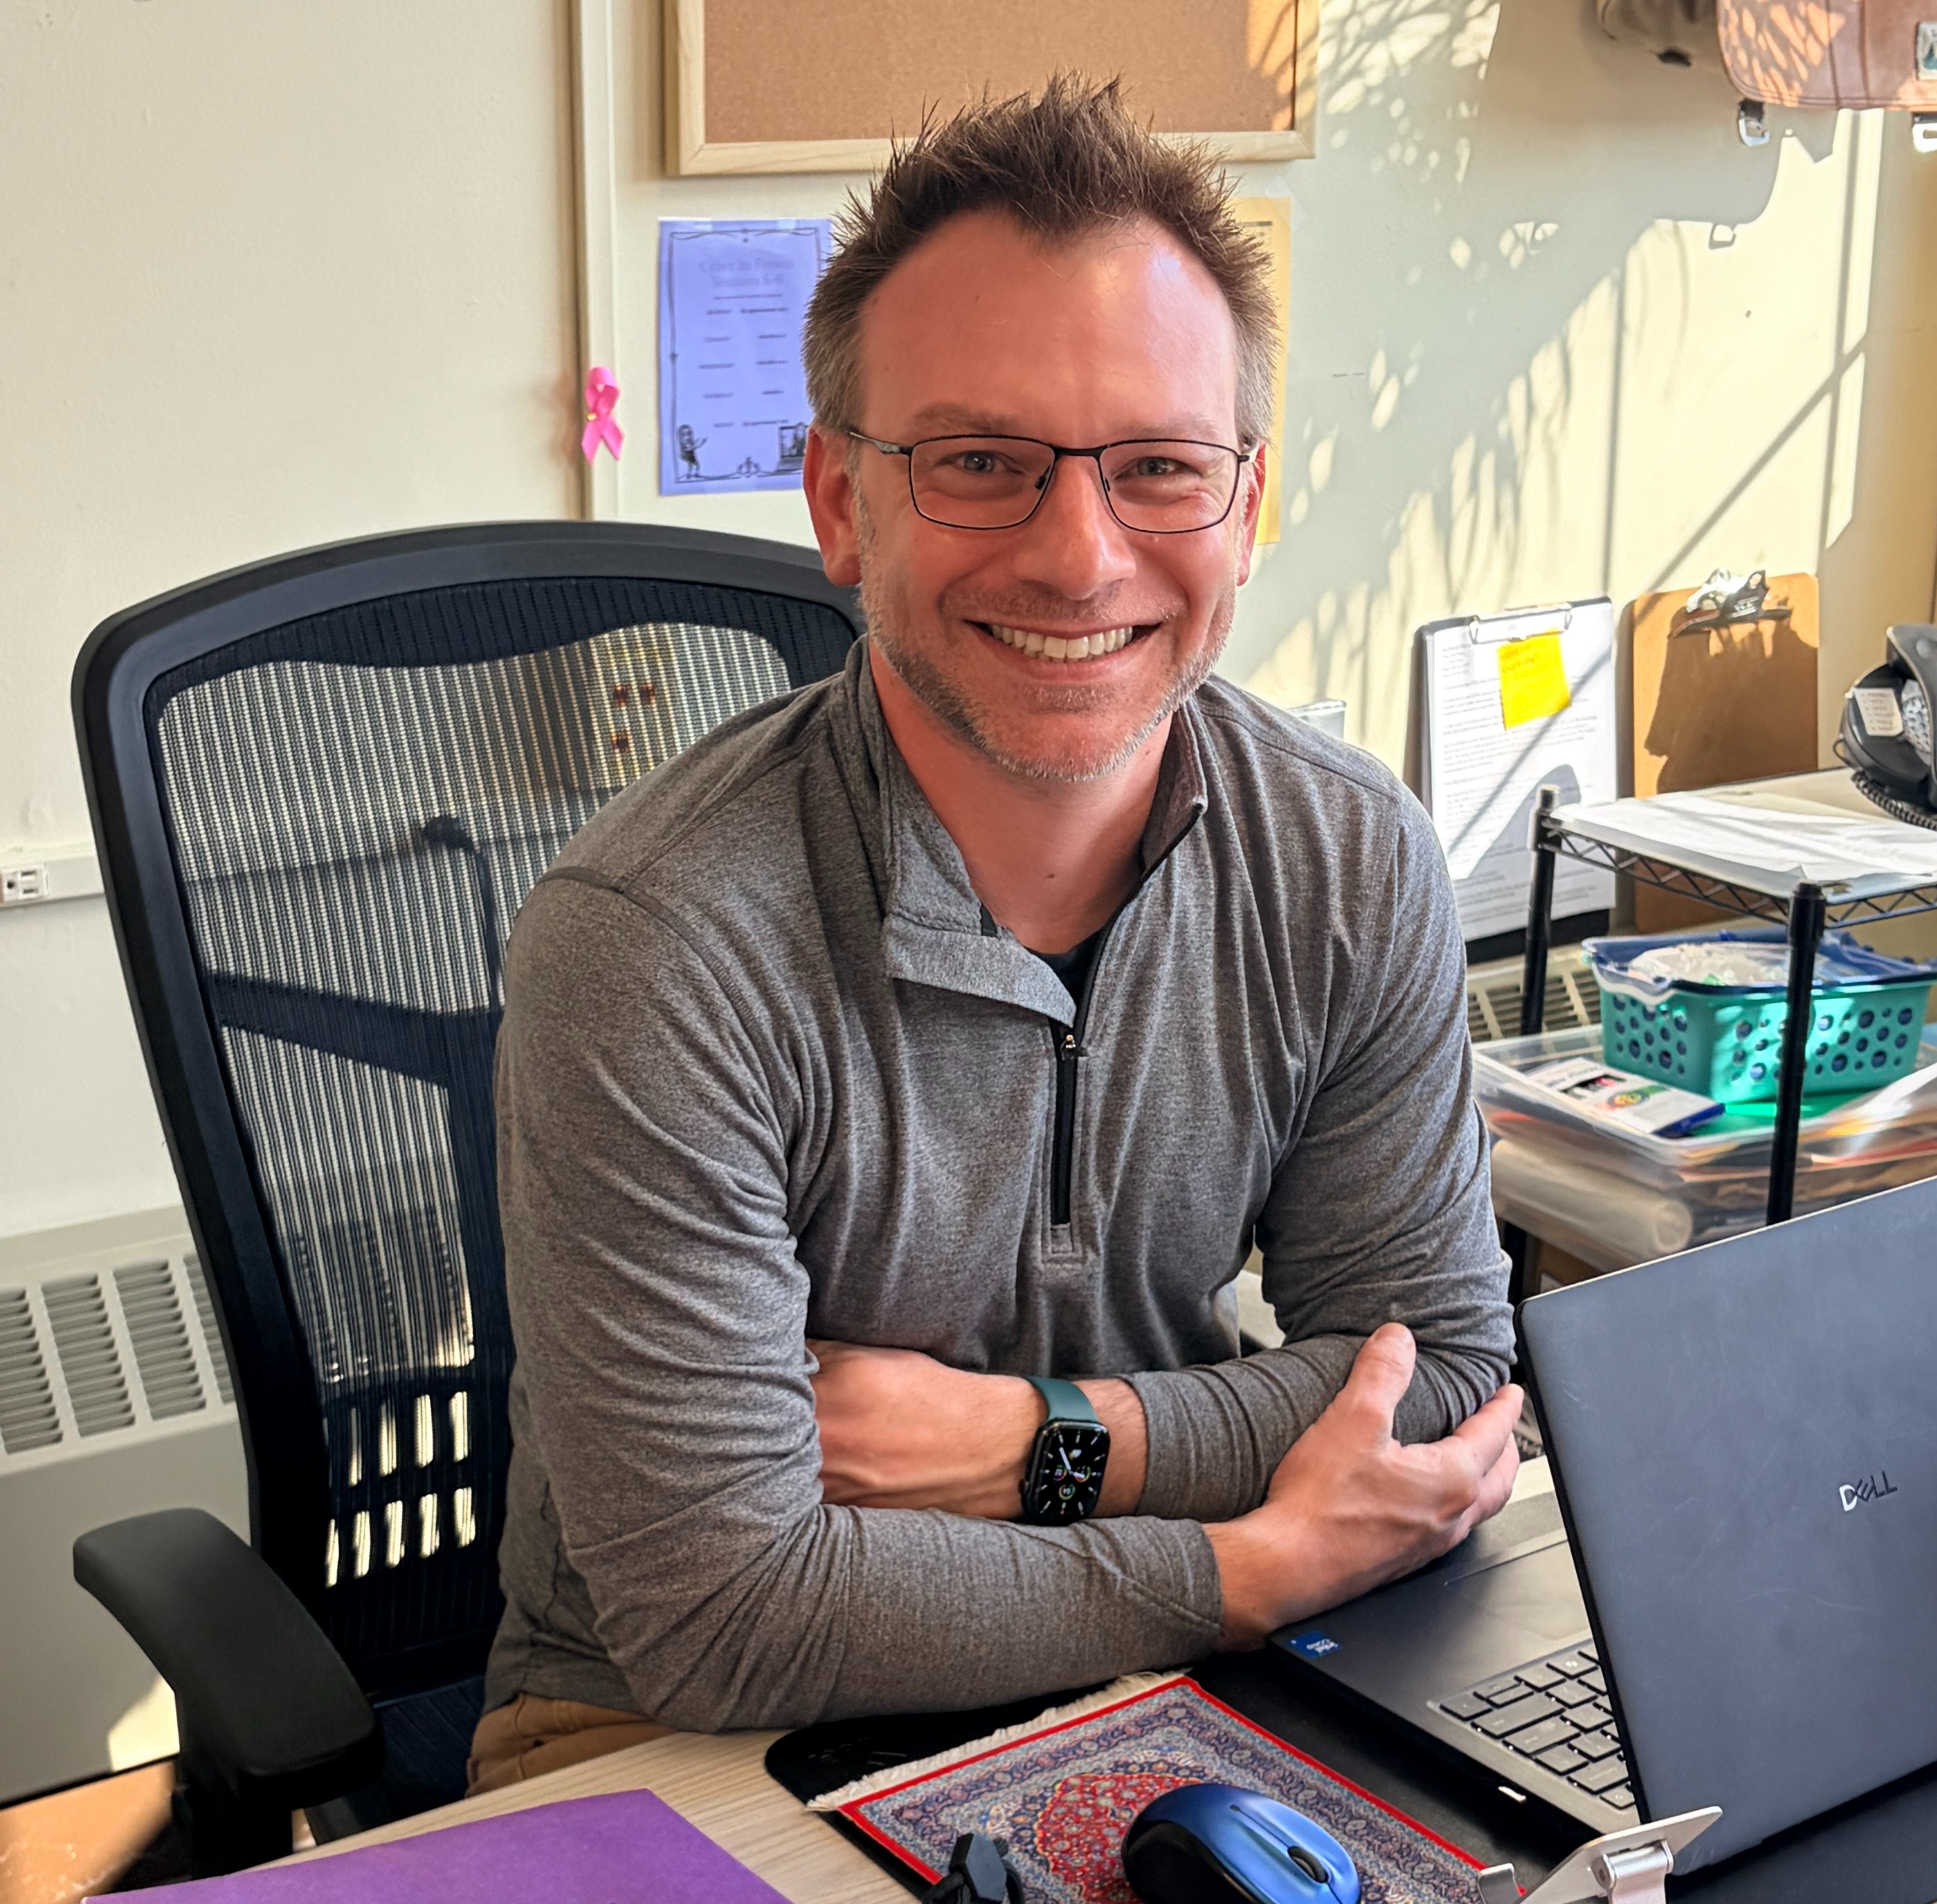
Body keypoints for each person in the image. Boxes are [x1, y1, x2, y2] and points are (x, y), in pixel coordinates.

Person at [468, 77, 1520, 1793]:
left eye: (1159, 469)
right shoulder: (654, 941)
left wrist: (1040, 1444)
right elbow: (726, 1607)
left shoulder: (1348, 854)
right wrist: (1247, 1562)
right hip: (686, 1734)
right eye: (977, 463)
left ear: (1246, 505)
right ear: (838, 502)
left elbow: (1445, 1381)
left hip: (1179, 1685)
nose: (1077, 551)